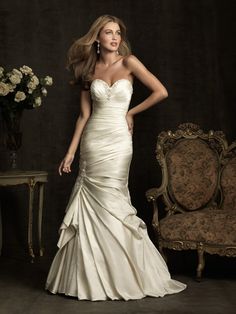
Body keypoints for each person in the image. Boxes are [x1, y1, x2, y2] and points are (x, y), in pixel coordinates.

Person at [45, 14, 186, 301]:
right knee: (91, 204)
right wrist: (71, 152)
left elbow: (161, 91)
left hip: (120, 141)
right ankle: (89, 278)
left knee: (115, 201)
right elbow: (84, 116)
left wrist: (131, 112)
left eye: (118, 33)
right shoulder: (89, 69)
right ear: (97, 38)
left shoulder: (129, 62)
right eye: (108, 33)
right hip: (93, 142)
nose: (114, 38)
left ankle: (124, 274)